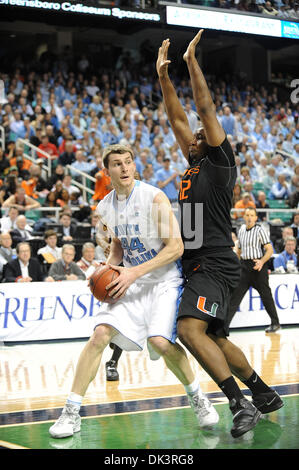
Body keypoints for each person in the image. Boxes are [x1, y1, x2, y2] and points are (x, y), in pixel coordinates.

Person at [156, 30, 283, 439]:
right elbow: (178, 117)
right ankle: (263, 393)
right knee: (213, 334)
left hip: (214, 261)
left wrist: (192, 64)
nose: (192, 135)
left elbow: (203, 108)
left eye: (199, 135)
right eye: (191, 137)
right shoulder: (192, 165)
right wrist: (163, 78)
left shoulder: (220, 163)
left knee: (190, 330)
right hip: (196, 263)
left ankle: (237, 402)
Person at [49, 144, 219, 439]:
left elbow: (176, 247)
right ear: (107, 171)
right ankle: (71, 412)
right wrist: (110, 267)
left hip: (164, 281)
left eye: (129, 162)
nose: (125, 168)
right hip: (132, 279)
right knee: (99, 335)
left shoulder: (153, 197)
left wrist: (131, 271)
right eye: (117, 164)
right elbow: (119, 245)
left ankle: (198, 398)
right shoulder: (105, 206)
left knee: (161, 342)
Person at [227, 207, 281, 332]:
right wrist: (237, 263)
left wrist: (262, 261)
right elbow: (239, 250)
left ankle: (275, 323)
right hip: (244, 267)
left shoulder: (259, 230)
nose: (250, 217)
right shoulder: (241, 230)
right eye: (247, 215)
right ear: (244, 217)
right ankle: (223, 328)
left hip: (258, 267)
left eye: (252, 215)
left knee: (266, 296)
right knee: (234, 297)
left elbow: (270, 250)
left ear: (256, 218)